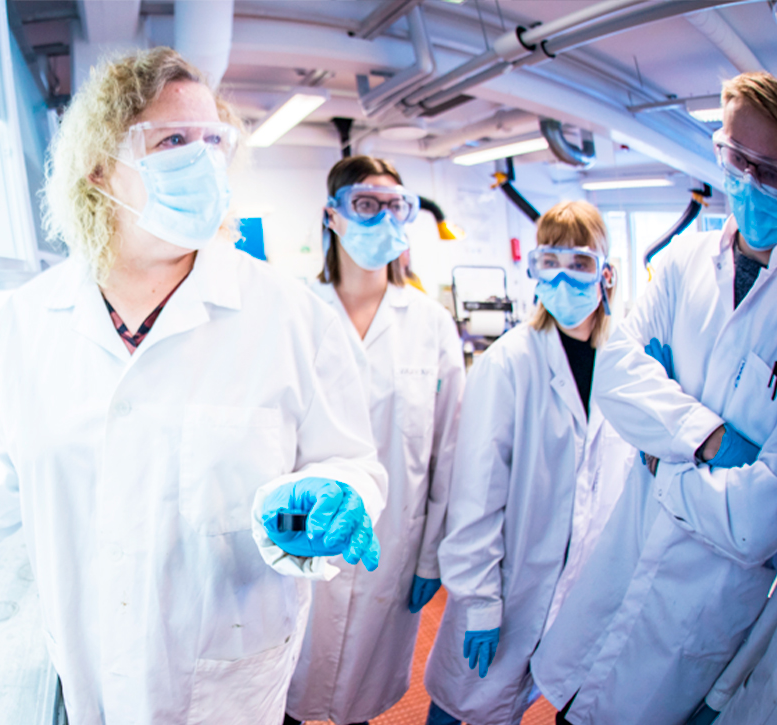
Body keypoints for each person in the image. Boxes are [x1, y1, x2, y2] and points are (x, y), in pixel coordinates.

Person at [0, 47, 387, 725]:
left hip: (227, 685)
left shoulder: (289, 315)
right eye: (173, 140)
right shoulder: (28, 321)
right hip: (91, 674)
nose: (203, 160)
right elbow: (14, 462)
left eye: (214, 141)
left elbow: (351, 459)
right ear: (99, 167)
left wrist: (338, 494)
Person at [531, 70, 777, 725]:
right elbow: (617, 374)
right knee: (571, 704)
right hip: (616, 577)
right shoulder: (681, 264)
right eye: (734, 157)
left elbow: (759, 521)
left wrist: (659, 451)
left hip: (694, 620)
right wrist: (712, 441)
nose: (747, 180)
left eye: (769, 168)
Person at [422, 201, 635, 725]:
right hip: (510, 584)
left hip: (583, 589)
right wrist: (478, 601)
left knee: (526, 703)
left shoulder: (630, 360)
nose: (564, 278)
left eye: (580, 263)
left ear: (607, 274)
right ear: (533, 270)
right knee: (461, 702)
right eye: (550, 262)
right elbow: (475, 497)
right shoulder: (508, 364)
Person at [283, 156, 465, 725]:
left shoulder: (430, 324)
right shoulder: (293, 312)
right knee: (285, 693)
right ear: (332, 216)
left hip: (390, 547)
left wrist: (431, 555)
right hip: (301, 542)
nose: (382, 219)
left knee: (358, 700)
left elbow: (447, 453)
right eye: (366, 204)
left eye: (396, 206)